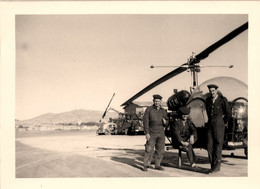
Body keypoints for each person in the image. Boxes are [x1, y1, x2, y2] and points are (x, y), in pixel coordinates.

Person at [205, 84, 232, 173]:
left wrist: (222, 122)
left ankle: (216, 167)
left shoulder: (222, 100)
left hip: (219, 123)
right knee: (209, 146)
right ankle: (212, 166)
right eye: (210, 91)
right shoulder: (208, 100)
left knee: (218, 145)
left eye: (213, 90)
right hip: (210, 124)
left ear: (216, 91)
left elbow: (228, 113)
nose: (212, 92)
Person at [142, 94, 168, 171]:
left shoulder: (163, 111)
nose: (157, 103)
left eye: (158, 101)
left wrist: (165, 122)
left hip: (161, 132)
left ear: (161, 102)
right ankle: (146, 165)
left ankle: (157, 165)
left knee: (160, 150)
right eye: (155, 101)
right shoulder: (149, 109)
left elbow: (167, 122)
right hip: (152, 131)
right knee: (149, 149)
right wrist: (147, 133)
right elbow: (145, 122)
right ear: (153, 101)